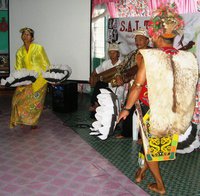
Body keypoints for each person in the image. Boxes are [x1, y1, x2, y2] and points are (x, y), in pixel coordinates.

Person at [117, 3, 198, 195]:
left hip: (152, 111)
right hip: (175, 111)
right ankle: (142, 170)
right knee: (159, 146)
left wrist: (126, 109)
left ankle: (160, 185)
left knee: (152, 147)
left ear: (155, 35)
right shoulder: (187, 57)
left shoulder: (148, 57)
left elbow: (137, 86)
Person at [10, 27, 50, 130]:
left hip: (39, 80)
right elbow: (18, 68)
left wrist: (49, 77)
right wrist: (18, 80)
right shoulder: (19, 52)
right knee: (17, 100)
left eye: (27, 34)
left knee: (35, 103)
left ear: (32, 37)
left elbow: (46, 63)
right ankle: (22, 119)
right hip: (26, 80)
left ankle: (33, 122)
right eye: (23, 34)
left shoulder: (39, 48)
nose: (25, 36)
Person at [115, 28, 150, 139]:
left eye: (140, 39)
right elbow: (120, 67)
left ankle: (143, 137)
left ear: (147, 41)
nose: (137, 42)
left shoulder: (152, 53)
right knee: (129, 107)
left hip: (148, 88)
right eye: (136, 39)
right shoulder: (133, 54)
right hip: (134, 86)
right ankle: (126, 133)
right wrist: (119, 75)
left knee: (146, 113)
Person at [89, 42, 125, 118]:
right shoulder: (106, 63)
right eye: (110, 53)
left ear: (118, 54)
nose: (112, 55)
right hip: (105, 86)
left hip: (116, 88)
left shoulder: (122, 64)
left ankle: (96, 105)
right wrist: (92, 77)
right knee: (100, 83)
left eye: (114, 53)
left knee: (100, 84)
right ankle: (96, 105)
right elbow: (95, 72)